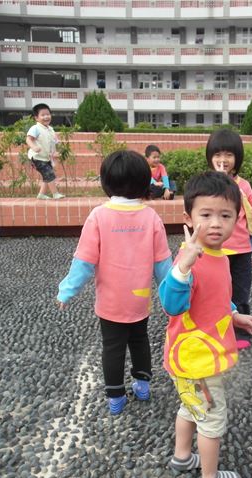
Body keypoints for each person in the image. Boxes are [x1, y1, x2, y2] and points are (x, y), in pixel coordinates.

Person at [158, 171, 252, 478]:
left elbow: (216, 298)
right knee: (212, 418)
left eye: (225, 216)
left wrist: (234, 315)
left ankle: (182, 457)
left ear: (237, 219)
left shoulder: (218, 255)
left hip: (191, 359)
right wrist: (182, 269)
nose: (216, 223)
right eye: (206, 215)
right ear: (188, 218)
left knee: (190, 407)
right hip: (198, 362)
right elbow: (171, 304)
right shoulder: (190, 260)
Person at [57, 151, 172, 415]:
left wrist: (66, 291)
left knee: (113, 347)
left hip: (110, 302)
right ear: (144, 182)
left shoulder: (99, 216)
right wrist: (173, 298)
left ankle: (116, 397)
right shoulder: (151, 217)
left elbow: (84, 261)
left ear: (106, 182)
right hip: (139, 300)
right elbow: (163, 264)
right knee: (140, 341)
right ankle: (143, 386)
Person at [206, 129, 252, 349]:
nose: (223, 160)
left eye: (229, 155)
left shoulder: (244, 186)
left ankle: (240, 329)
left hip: (241, 250)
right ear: (210, 157)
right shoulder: (207, 185)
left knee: (240, 291)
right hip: (214, 250)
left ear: (237, 158)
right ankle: (214, 327)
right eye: (217, 154)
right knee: (214, 291)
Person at [26, 103, 65, 200]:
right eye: (43, 115)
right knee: (49, 173)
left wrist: (55, 152)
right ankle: (55, 193)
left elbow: (54, 142)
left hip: (46, 157)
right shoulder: (36, 128)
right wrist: (34, 147)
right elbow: (28, 139)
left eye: (48, 114)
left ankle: (41, 194)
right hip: (37, 157)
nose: (46, 117)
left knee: (46, 176)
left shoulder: (51, 129)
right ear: (36, 118)